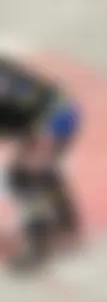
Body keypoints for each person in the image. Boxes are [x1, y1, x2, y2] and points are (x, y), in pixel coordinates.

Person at [0, 57, 79, 270]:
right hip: (52, 111)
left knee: (25, 177)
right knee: (41, 171)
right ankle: (67, 223)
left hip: (50, 120)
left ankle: (39, 245)